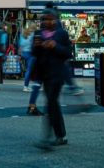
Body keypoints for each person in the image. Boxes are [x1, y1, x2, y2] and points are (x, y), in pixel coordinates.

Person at [33, 8, 72, 149]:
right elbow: (34, 54)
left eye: (50, 19)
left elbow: (68, 53)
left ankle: (48, 138)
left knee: (50, 103)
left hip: (57, 74)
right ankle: (60, 135)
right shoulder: (38, 34)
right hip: (45, 75)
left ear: (55, 20)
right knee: (53, 104)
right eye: (44, 19)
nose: (46, 22)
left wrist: (55, 46)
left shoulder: (61, 34)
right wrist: (36, 47)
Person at [20, 24, 36, 92]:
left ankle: (28, 85)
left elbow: (20, 45)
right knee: (29, 70)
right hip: (30, 54)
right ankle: (26, 86)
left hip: (24, 53)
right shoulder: (33, 34)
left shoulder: (23, 34)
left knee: (29, 69)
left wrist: (20, 54)